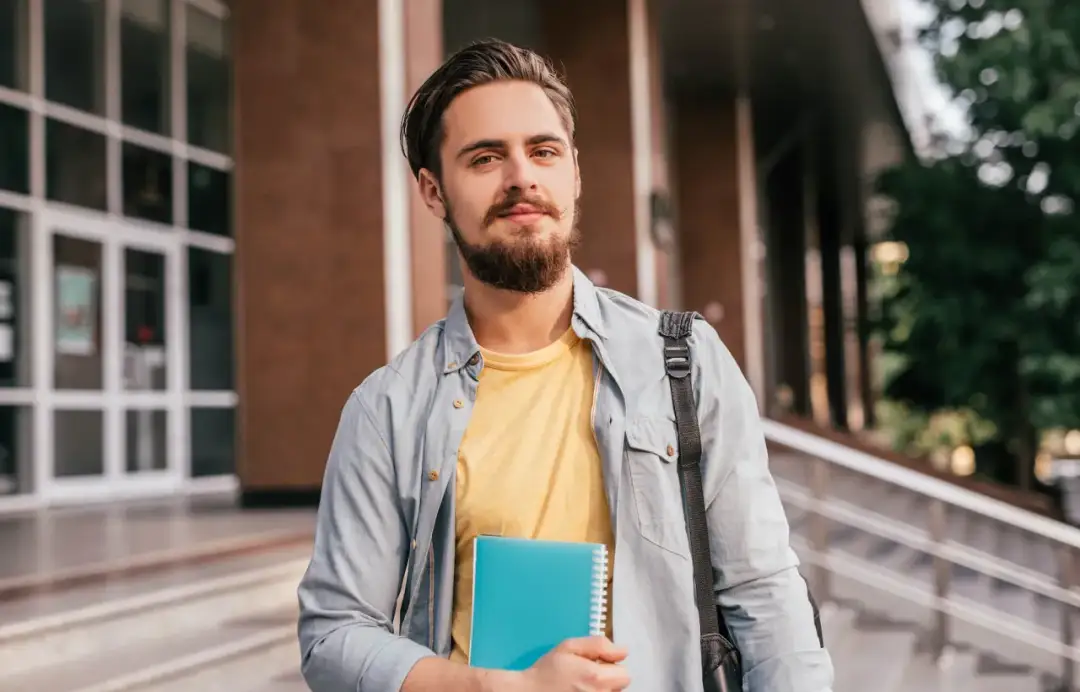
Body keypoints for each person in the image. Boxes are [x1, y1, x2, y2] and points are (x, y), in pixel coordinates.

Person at [297, 38, 833, 692]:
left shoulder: (682, 364)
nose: (521, 176)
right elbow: (332, 634)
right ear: (433, 192)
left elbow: (764, 593)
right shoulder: (386, 410)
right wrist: (500, 688)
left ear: (574, 172)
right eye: (485, 157)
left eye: (543, 151)